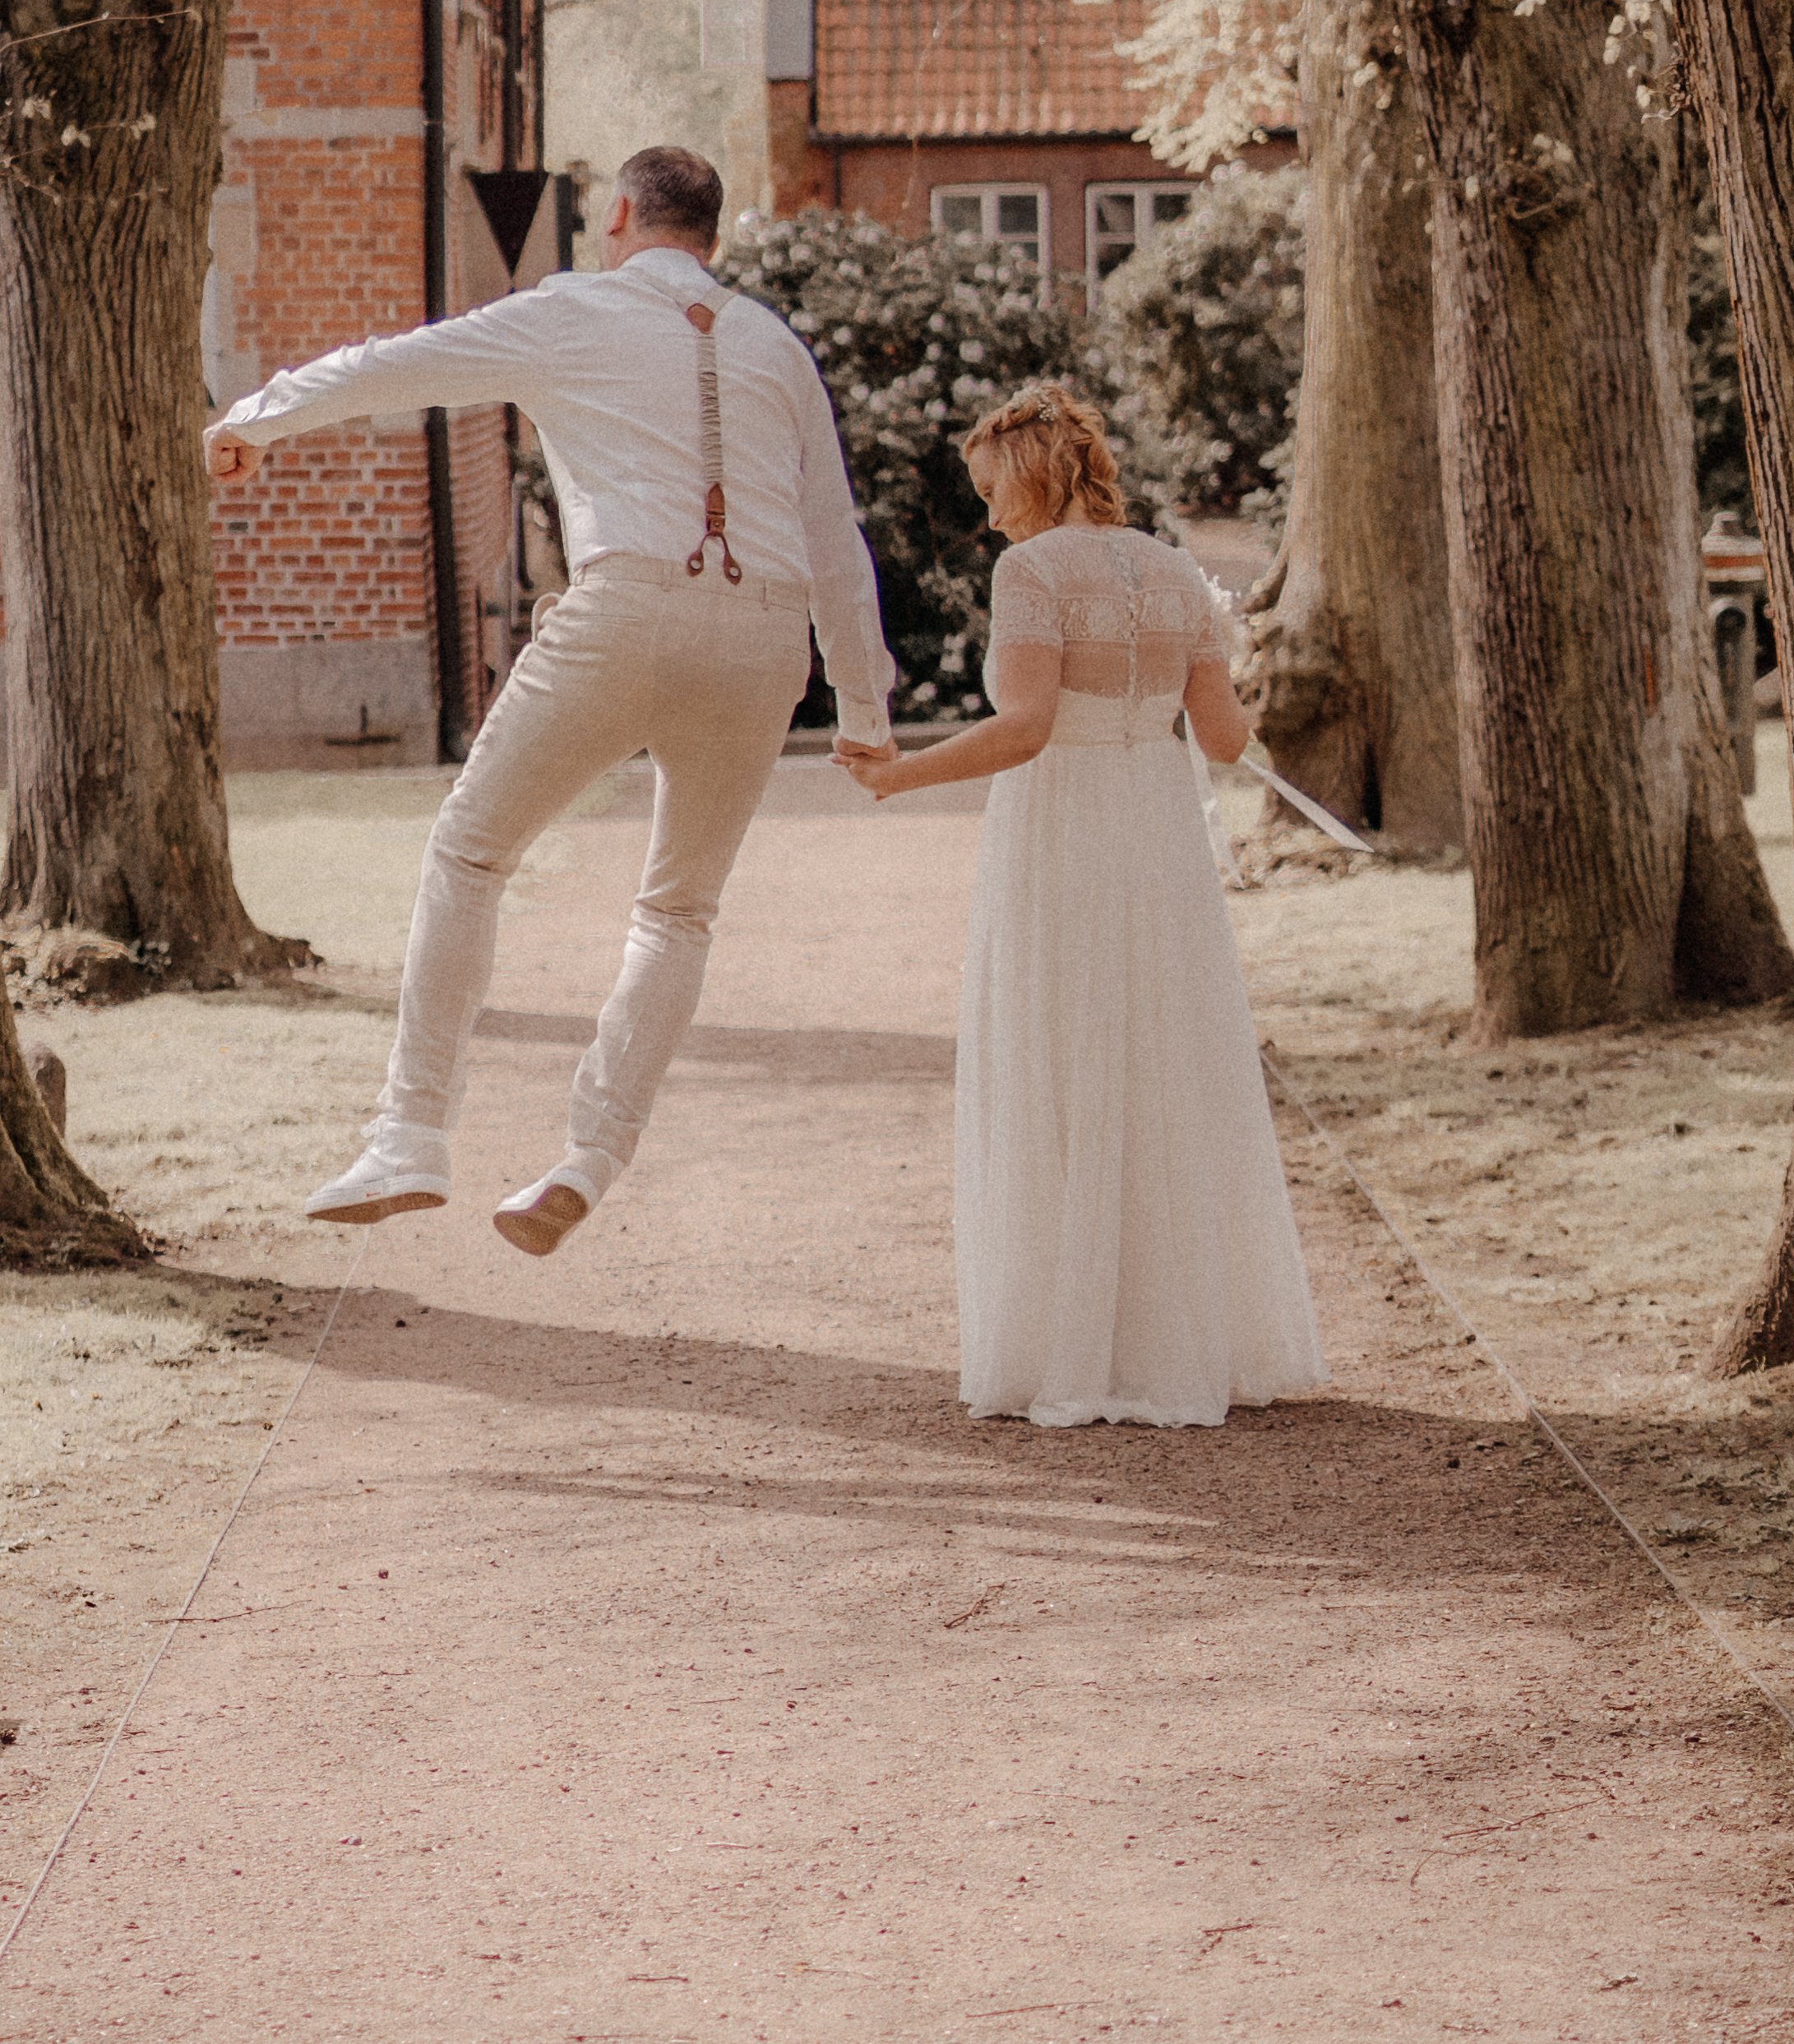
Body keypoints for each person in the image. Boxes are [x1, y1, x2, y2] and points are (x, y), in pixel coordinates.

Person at [206, 147, 895, 1256]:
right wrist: (862, 704)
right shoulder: (775, 345)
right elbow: (831, 534)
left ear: (617, 213)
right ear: (711, 237)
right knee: (677, 912)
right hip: (765, 637)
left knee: (472, 851)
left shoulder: (576, 309)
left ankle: (413, 1132)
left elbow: (404, 367)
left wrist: (258, 419)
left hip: (628, 607)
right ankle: (591, 1155)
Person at [837, 382, 1327, 1427]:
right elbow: (1229, 740)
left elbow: (1024, 728)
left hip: (1061, 826)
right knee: (1162, 1054)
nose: (988, 516)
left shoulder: (1030, 571)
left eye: (989, 491)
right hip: (1155, 832)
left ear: (1026, 475)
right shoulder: (1172, 569)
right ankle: (1181, 1333)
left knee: (1057, 1048)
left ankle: (1076, 1337)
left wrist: (896, 773)